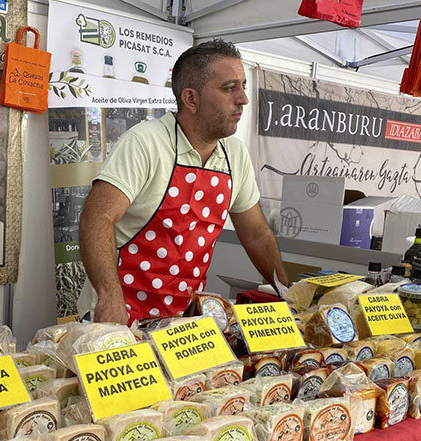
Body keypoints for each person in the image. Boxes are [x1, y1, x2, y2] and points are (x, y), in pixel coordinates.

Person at [77, 40, 289, 325]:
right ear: (191, 99)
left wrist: (286, 293)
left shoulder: (234, 154)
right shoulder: (145, 142)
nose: (243, 99)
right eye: (229, 88)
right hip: (119, 314)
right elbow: (97, 218)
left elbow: (256, 233)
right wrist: (108, 296)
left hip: (183, 321)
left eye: (243, 87)